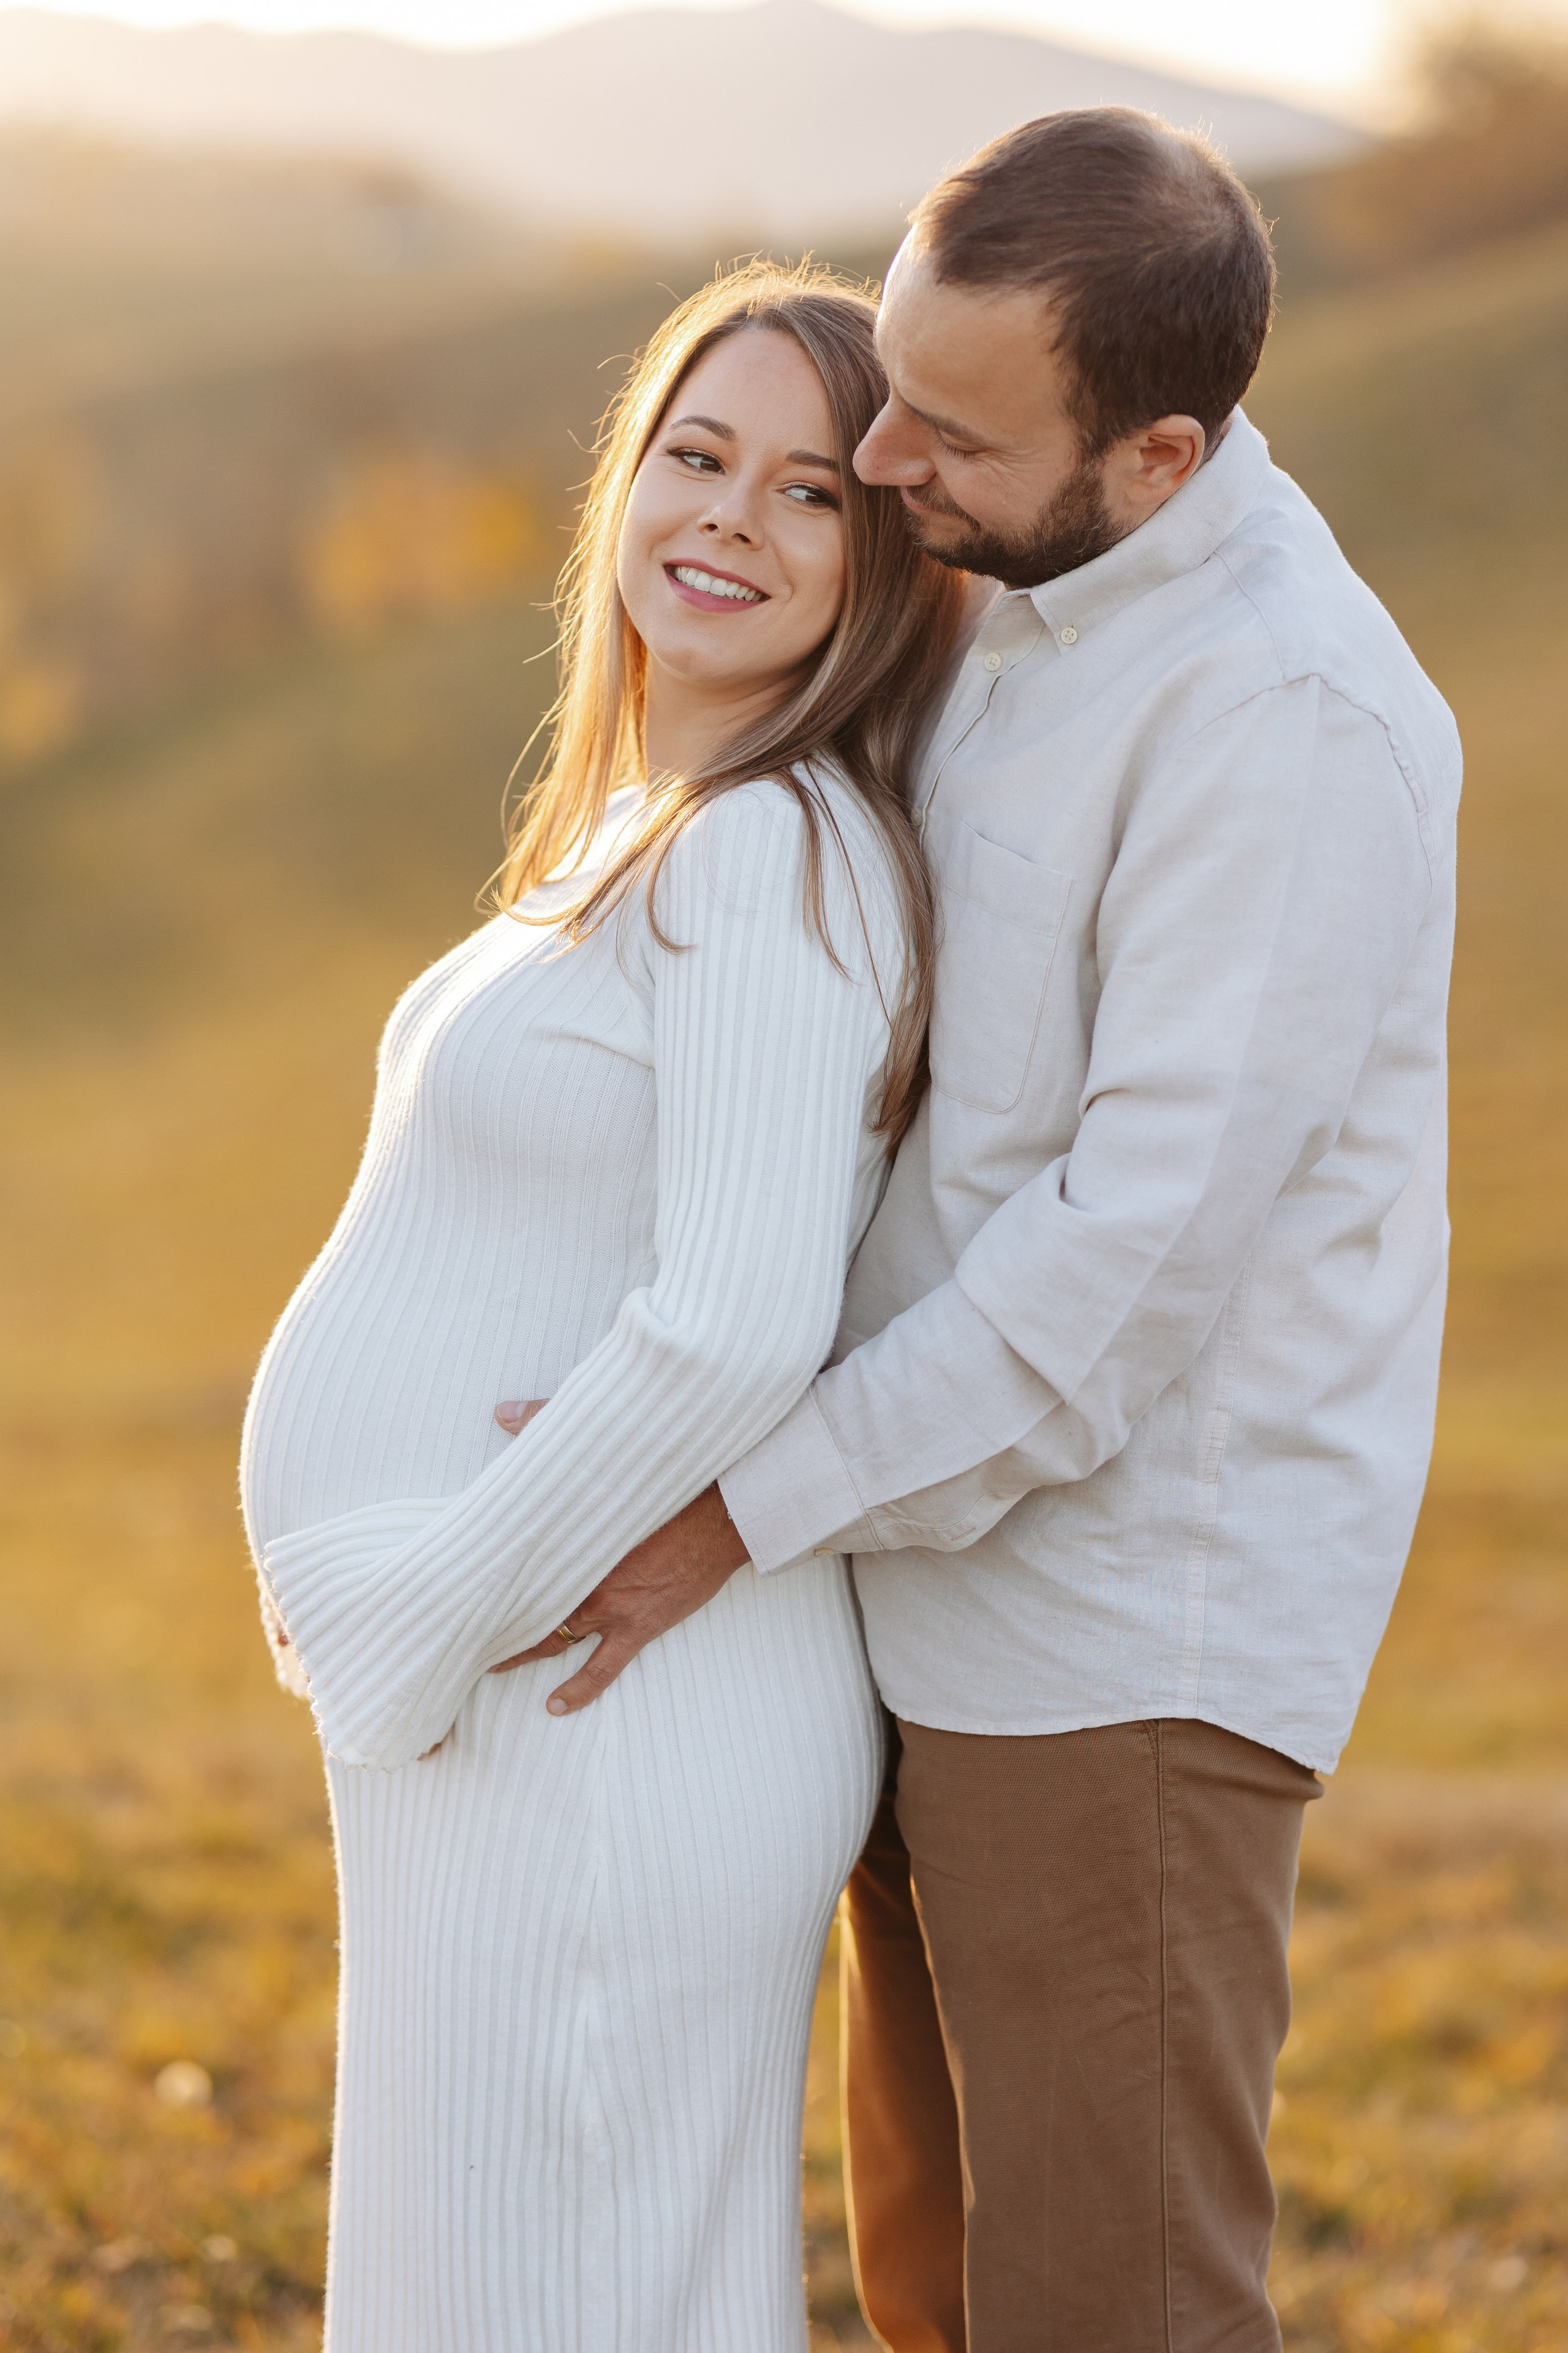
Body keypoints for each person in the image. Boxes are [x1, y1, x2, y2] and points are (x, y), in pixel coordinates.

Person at [522, 113, 1463, 2352]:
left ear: (1153, 455)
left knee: (1100, 2307)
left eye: (946, 430)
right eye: (896, 383)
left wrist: (729, 1510)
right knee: (939, 2285)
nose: (883, 453)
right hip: (914, 1593)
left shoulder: (1286, 720)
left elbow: (1120, 1270)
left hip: (1118, 1649)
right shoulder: (1032, 588)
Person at [239, 262, 968, 2351]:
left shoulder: (769, 858)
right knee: (520, 2284)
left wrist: (422, 1602)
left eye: (815, 493)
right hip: (541, 1710)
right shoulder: (665, 835)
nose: (732, 517)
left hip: (592, 1713)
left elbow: (736, 1322)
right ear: (625, 483)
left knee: (549, 2294)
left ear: (890, 556)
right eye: (699, 454)